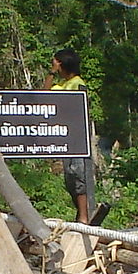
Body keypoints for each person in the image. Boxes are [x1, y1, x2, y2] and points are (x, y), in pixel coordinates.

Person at [44, 48, 96, 223]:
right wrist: (51, 72)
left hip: (77, 137)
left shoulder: (77, 83)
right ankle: (79, 215)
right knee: (69, 179)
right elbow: (45, 94)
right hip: (66, 137)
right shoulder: (63, 85)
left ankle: (84, 217)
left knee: (79, 176)